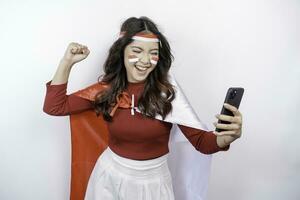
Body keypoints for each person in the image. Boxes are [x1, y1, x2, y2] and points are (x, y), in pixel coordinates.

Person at [43, 16, 243, 200]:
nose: (146, 61)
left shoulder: (168, 93)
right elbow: (55, 106)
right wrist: (67, 62)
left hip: (153, 186)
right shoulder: (108, 89)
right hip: (108, 179)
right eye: (137, 51)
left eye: (153, 53)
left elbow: (203, 143)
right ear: (122, 52)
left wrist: (227, 136)